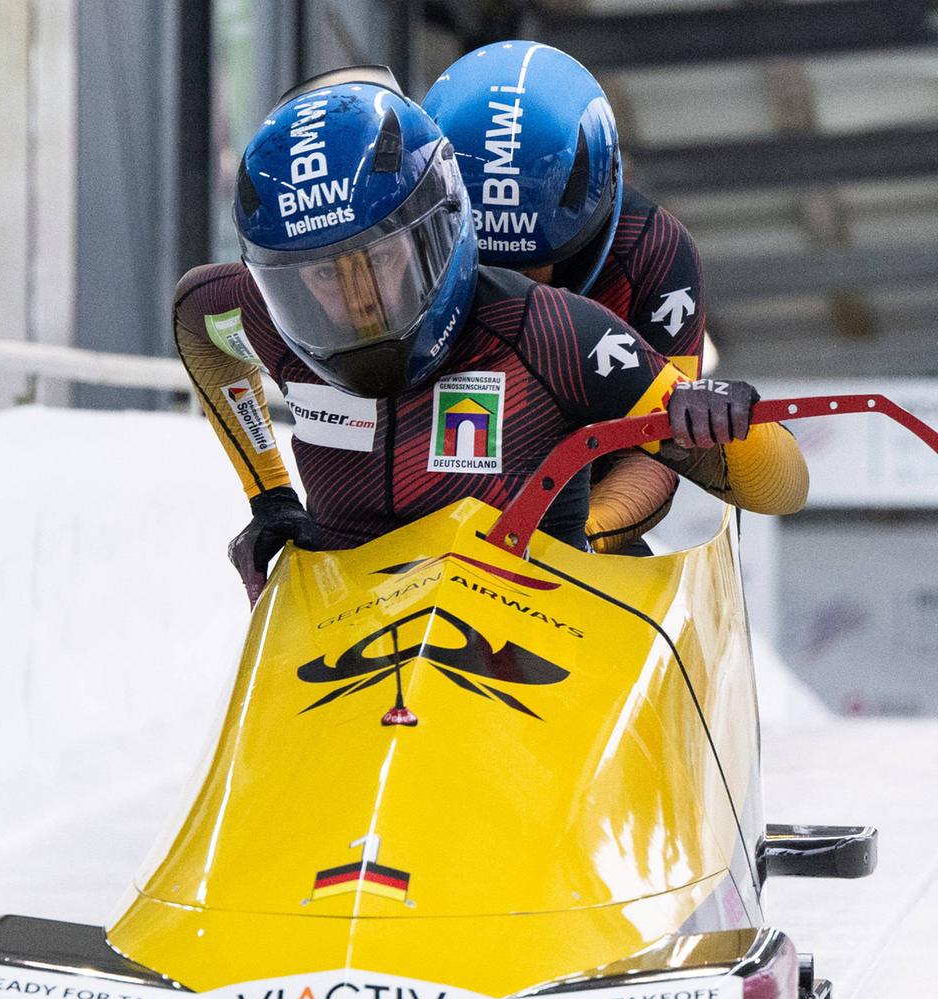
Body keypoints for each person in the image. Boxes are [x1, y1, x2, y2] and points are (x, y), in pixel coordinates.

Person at [172, 72, 807, 602]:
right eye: (319, 276)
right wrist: (272, 499)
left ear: (441, 229)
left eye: (381, 260)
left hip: (526, 632)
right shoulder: (245, 307)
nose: (359, 300)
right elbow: (198, 323)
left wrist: (727, 423)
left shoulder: (549, 331)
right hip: (345, 631)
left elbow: (781, 483)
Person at [423, 41, 744, 554]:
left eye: (532, 267)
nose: (509, 296)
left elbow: (657, 448)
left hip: (568, 525)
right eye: (487, 269)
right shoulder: (393, 246)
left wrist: (577, 535)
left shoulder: (654, 253)